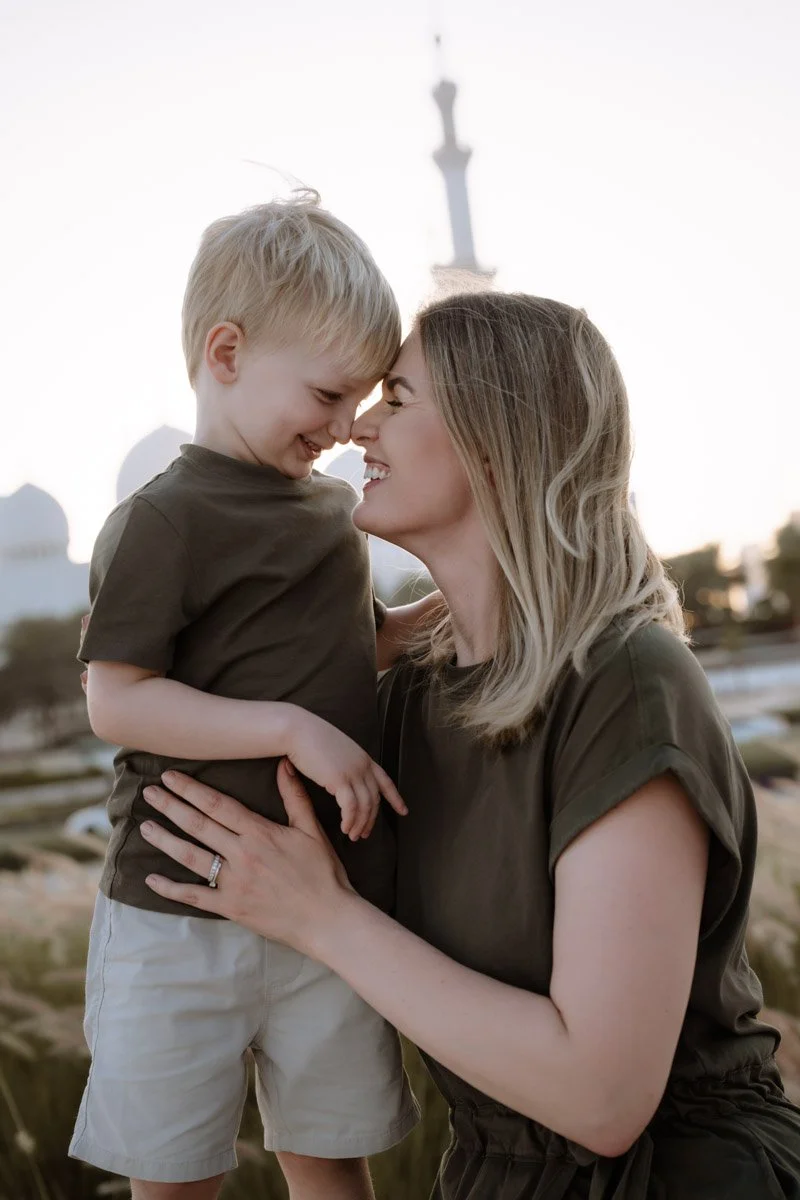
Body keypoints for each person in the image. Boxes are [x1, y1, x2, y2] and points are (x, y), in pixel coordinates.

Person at [138, 291, 800, 1199]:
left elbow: (604, 1097)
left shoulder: (627, 682)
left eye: (398, 399)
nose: (358, 426)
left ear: (497, 436)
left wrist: (323, 917)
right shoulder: (408, 701)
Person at [69, 194, 425, 1200]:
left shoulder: (327, 514)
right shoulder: (160, 520)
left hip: (326, 904)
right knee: (176, 1179)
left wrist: (421, 625)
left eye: (362, 401)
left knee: (329, 1162)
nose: (347, 428)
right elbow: (120, 701)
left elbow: (344, 655)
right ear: (226, 353)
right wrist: (287, 728)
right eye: (326, 394)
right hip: (176, 909)